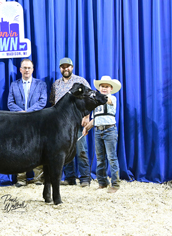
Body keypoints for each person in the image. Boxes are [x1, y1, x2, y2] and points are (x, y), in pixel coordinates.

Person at [49, 57, 91, 187]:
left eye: (68, 66)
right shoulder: (56, 84)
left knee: (81, 150)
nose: (65, 68)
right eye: (63, 66)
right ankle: (70, 178)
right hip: (61, 125)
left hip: (77, 122)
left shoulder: (80, 81)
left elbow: (90, 99)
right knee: (65, 152)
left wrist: (87, 116)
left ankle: (85, 178)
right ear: (60, 68)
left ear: (72, 67)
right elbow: (53, 103)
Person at [7, 58, 47, 187]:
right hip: (18, 122)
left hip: (36, 121)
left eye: (29, 68)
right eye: (24, 68)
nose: (27, 70)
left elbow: (42, 101)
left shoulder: (41, 84)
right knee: (19, 149)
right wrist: (21, 113)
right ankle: (21, 179)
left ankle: (39, 179)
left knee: (38, 149)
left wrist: (29, 112)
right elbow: (10, 103)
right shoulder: (14, 85)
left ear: (33, 69)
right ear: (20, 70)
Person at [82, 76, 121, 193]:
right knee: (100, 159)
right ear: (99, 88)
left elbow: (107, 101)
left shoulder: (112, 98)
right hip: (98, 131)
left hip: (110, 131)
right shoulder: (96, 104)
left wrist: (98, 97)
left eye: (107, 87)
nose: (104, 88)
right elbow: (95, 119)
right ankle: (102, 182)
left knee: (111, 158)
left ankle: (115, 184)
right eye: (102, 86)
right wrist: (86, 127)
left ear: (111, 89)